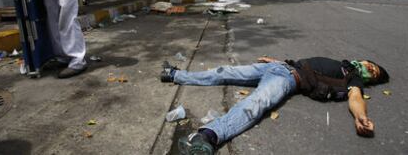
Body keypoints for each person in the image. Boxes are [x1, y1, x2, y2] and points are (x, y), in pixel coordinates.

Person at [160, 57, 389, 155]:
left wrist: (360, 116)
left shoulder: (353, 80)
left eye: (373, 72)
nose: (369, 68)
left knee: (257, 103)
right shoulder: (343, 64)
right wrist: (275, 60)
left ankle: (207, 136)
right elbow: (306, 64)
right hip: (279, 67)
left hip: (288, 80)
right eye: (370, 64)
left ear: (370, 79)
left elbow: (356, 98)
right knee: (224, 72)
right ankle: (174, 74)